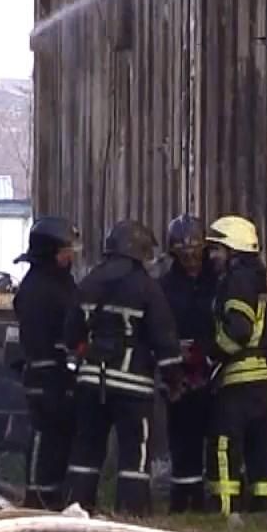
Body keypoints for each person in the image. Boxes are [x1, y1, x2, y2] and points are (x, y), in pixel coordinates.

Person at [63, 220, 180, 515]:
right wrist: (174, 379)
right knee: (134, 454)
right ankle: (131, 512)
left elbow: (70, 334)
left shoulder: (89, 282)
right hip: (133, 387)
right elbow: (164, 337)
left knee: (86, 449)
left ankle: (76, 507)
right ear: (140, 251)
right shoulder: (147, 288)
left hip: (90, 381)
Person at [207, 215, 267, 514]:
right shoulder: (257, 280)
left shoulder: (236, 281)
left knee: (224, 444)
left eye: (217, 250)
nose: (212, 257)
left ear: (233, 250)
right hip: (260, 378)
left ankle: (224, 509)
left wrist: (212, 354)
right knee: (260, 445)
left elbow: (239, 330)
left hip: (239, 377)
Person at [11, 216, 80, 510]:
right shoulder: (39, 289)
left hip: (61, 375)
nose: (72, 255)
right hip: (45, 375)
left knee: (61, 436)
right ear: (51, 252)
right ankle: (37, 494)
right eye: (66, 249)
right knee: (44, 433)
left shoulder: (59, 283)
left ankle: (54, 493)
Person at [159, 214, 219, 513]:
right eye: (184, 256)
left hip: (216, 370)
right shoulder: (166, 286)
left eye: (196, 254)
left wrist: (206, 352)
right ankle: (184, 500)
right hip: (179, 374)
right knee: (183, 440)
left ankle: (219, 498)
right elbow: (159, 326)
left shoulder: (218, 282)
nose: (191, 261)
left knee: (220, 435)